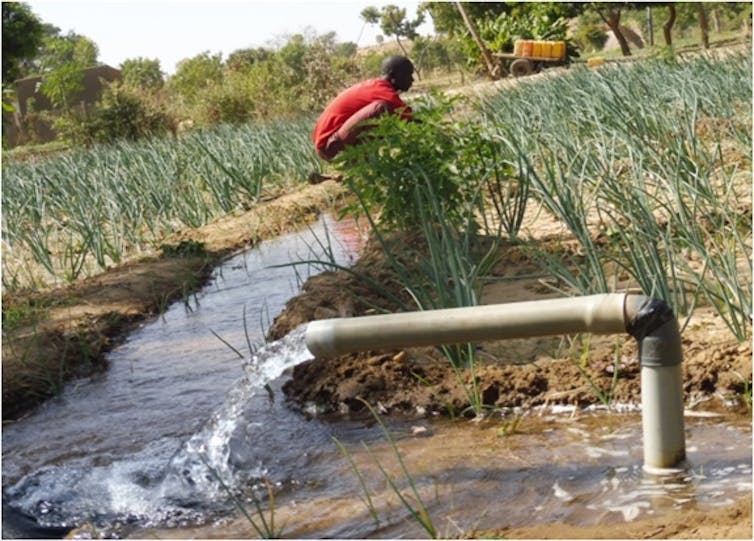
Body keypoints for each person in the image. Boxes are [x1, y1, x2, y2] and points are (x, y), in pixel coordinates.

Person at [312, 55, 414, 162]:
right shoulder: (384, 94)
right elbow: (410, 121)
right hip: (330, 147)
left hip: (332, 141)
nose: (412, 79)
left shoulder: (376, 86)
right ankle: (360, 162)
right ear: (394, 74)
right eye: (408, 74)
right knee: (380, 109)